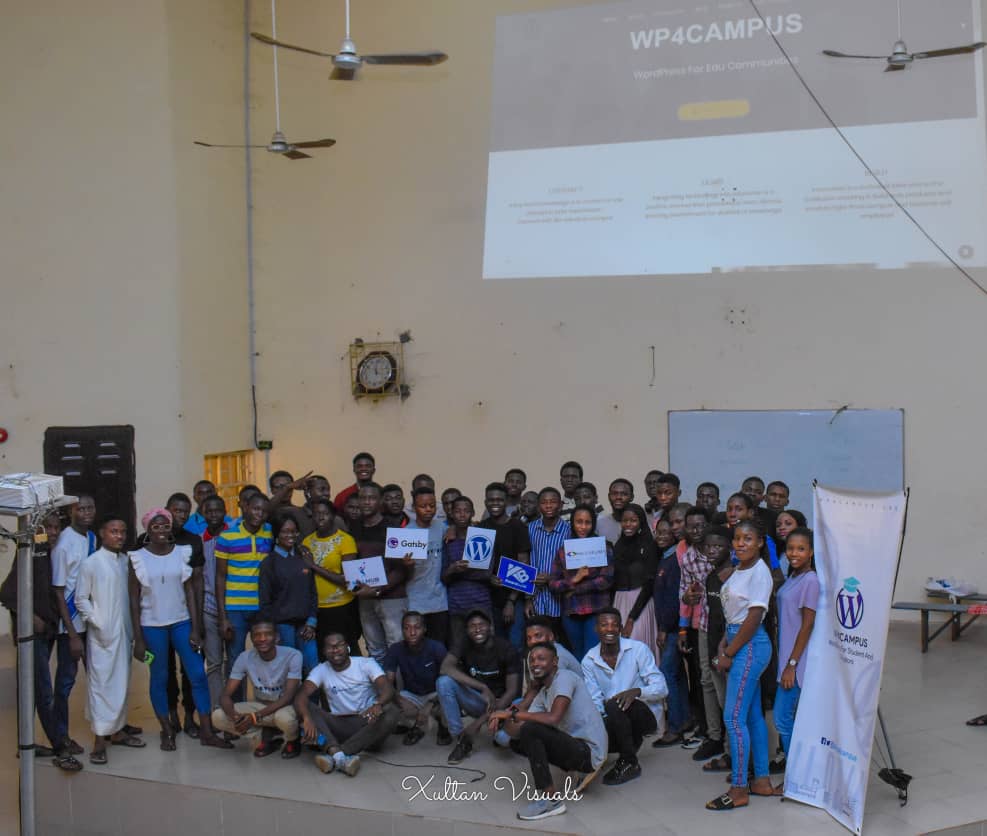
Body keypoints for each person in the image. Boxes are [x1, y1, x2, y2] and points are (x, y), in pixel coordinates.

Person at [130, 508, 231, 751]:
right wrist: (138, 639)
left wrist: (196, 628)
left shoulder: (181, 553)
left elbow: (190, 591)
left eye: (165, 525)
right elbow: (133, 599)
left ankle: (206, 730)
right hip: (152, 625)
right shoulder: (137, 558)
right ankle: (166, 730)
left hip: (181, 622)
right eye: (155, 526)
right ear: (147, 529)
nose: (161, 530)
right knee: (160, 677)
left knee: (197, 674)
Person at [0, 511, 83, 770]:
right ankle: (60, 746)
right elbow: (8, 593)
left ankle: (32, 742)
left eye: (57, 527)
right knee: (42, 690)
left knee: (34, 689)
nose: (53, 532)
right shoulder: (33, 552)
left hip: (47, 631)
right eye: (48, 527)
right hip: (32, 634)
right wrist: (30, 616)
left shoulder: (50, 552)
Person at [489, 642, 608, 821]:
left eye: (541, 659)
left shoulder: (565, 677)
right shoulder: (543, 693)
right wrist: (503, 719)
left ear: (555, 662)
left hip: (590, 752)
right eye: (532, 660)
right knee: (519, 740)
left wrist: (511, 714)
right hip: (575, 746)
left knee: (531, 730)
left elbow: (553, 718)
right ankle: (569, 776)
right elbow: (517, 731)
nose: (535, 663)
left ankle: (552, 802)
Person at [706, 520, 775, 810]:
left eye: (748, 538)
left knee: (733, 718)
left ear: (760, 542)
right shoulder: (739, 569)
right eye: (737, 538)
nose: (741, 543)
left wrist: (730, 653)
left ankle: (739, 788)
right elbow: (734, 614)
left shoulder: (760, 572)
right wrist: (724, 642)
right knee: (751, 716)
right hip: (737, 640)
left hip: (750, 646)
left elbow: (754, 618)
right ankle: (762, 780)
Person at [75, 514, 143, 764]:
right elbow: (81, 598)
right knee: (101, 685)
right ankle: (99, 741)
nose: (119, 536)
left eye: (123, 532)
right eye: (114, 531)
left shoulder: (125, 561)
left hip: (123, 632)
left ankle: (118, 731)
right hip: (102, 635)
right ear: (102, 533)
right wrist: (98, 621)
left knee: (121, 683)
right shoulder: (91, 563)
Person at [295, 632, 401, 776]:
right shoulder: (321, 670)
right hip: (339, 724)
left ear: (347, 647)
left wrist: (378, 704)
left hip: (368, 722)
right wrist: (307, 718)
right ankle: (342, 756)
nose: (335, 650)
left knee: (392, 711)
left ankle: (337, 754)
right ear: (324, 651)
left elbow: (388, 689)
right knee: (304, 706)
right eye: (330, 647)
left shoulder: (365, 664)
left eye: (339, 645)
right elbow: (300, 695)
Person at [582, 608, 668, 785]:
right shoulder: (589, 660)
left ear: (621, 628)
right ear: (596, 629)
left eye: (614, 625)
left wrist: (637, 691)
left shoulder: (638, 650)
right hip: (616, 718)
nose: (610, 629)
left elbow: (662, 688)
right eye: (604, 625)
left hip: (645, 715)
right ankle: (629, 744)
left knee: (613, 704)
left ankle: (630, 762)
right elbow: (595, 700)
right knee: (597, 732)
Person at [437, 610, 522, 763]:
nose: (477, 629)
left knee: (504, 740)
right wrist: (482, 687)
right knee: (443, 682)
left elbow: (512, 691)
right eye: (472, 626)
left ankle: (499, 728)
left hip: (502, 706)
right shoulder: (464, 643)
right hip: (479, 700)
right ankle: (462, 739)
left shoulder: (506, 648)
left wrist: (478, 723)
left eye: (481, 625)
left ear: (490, 627)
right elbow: (445, 668)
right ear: (467, 630)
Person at [212, 618, 302, 758]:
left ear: (277, 637)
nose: (262, 638)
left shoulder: (293, 655)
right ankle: (266, 738)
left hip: (286, 707)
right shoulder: (245, 658)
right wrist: (236, 718)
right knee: (218, 716)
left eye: (268, 634)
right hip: (261, 706)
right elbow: (225, 695)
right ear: (252, 639)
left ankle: (293, 740)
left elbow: (288, 697)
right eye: (257, 635)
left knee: (284, 718)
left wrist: (254, 717)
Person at [772, 526, 819, 792]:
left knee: (782, 718)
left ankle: (796, 777)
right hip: (786, 657)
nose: (794, 553)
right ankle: (800, 773)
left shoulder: (810, 580)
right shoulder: (793, 576)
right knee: (791, 719)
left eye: (801, 549)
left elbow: (807, 626)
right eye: (790, 548)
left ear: (811, 552)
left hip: (797, 662)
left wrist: (792, 665)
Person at [50, 494, 98, 757]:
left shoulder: (91, 538)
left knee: (99, 676)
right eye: (81, 509)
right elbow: (59, 592)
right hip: (70, 625)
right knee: (65, 683)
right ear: (71, 512)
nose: (86, 513)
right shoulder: (64, 544)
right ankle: (61, 736)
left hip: (90, 620)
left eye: (90, 508)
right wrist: (72, 635)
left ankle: (106, 728)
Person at [677, 506, 724, 759]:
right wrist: (687, 598)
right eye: (691, 526)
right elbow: (684, 593)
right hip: (705, 625)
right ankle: (714, 736)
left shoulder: (723, 551)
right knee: (707, 680)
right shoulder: (688, 558)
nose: (696, 530)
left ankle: (731, 737)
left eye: (701, 525)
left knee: (725, 681)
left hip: (728, 626)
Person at [216, 493, 273, 694]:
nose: (260, 514)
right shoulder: (227, 537)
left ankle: (265, 704)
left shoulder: (270, 533)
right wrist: (223, 617)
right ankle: (236, 707)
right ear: (246, 507)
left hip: (262, 607)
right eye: (256, 509)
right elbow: (220, 577)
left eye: (264, 511)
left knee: (266, 658)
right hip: (235, 608)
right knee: (236, 660)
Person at [350, 483, 412, 661]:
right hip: (365, 598)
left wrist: (378, 589)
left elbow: (402, 569)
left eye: (372, 498)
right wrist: (359, 589)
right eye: (363, 498)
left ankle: (397, 682)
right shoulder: (353, 527)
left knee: (397, 647)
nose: (366, 502)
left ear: (380, 501)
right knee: (374, 649)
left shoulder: (393, 528)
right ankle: (381, 681)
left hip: (392, 598)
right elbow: (352, 563)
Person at [548, 505, 614, 660]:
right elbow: (553, 584)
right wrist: (574, 579)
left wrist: (574, 589)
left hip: (596, 610)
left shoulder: (603, 548)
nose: (583, 527)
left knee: (592, 655)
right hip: (572, 611)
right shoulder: (563, 550)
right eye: (579, 522)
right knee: (577, 656)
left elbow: (605, 580)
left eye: (587, 522)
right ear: (572, 523)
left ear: (593, 524)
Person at [301, 497, 362, 656]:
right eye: (316, 514)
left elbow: (348, 579)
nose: (321, 517)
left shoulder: (345, 540)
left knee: (348, 651)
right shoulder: (307, 541)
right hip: (316, 609)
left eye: (325, 513)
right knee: (323, 653)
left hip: (342, 607)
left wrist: (314, 566)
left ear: (333, 516)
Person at [258, 517, 319, 675]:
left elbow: (313, 592)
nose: (290, 535)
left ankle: (310, 694)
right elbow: (265, 601)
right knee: (290, 671)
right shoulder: (269, 563)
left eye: (293, 531)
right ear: (276, 535)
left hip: (306, 625)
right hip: (282, 626)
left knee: (313, 669)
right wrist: (273, 631)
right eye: (285, 531)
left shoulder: (304, 556)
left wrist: (312, 622)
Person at [650, 513, 689, 748]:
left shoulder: (674, 560)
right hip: (669, 626)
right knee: (677, 674)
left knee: (666, 672)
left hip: (673, 627)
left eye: (667, 532)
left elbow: (675, 599)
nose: (662, 536)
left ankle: (674, 728)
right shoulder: (664, 558)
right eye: (658, 532)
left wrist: (664, 629)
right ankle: (684, 719)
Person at [478, 482, 531, 647]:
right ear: (485, 502)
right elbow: (476, 566)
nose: (495, 503)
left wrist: (511, 602)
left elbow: (524, 566)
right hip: (489, 599)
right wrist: (488, 577)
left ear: (507, 501)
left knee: (515, 645)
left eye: (499, 500)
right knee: (495, 645)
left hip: (514, 598)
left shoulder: (518, 527)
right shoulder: (481, 528)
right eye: (491, 500)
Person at [382, 611, 447, 745]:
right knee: (388, 704)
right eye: (407, 628)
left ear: (424, 629)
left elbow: (447, 680)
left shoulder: (436, 647)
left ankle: (442, 726)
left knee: (448, 696)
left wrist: (430, 704)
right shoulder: (395, 649)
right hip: (412, 695)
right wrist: (400, 700)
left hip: (436, 693)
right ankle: (416, 725)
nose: (412, 632)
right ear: (402, 630)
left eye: (417, 627)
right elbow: (387, 682)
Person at [700, 527, 735, 774]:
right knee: (723, 703)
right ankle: (728, 751)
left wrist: (724, 651)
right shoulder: (711, 577)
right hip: (714, 649)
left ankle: (735, 756)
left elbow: (733, 621)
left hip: (729, 651)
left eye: (718, 546)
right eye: (708, 546)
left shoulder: (734, 578)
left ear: (729, 548)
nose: (712, 550)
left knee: (732, 706)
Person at [611, 504, 660, 662]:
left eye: (633, 520)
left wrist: (632, 618)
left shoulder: (649, 545)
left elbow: (649, 584)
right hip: (619, 602)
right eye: (625, 520)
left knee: (636, 650)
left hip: (640, 605)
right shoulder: (618, 546)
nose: (628, 524)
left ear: (640, 522)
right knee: (621, 654)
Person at [442, 496, 493, 636]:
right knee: (458, 645)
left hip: (481, 602)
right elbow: (444, 577)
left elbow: (487, 574)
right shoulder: (447, 540)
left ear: (473, 513)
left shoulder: (483, 537)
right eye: (458, 511)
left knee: (486, 642)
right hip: (456, 604)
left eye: (466, 511)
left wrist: (460, 572)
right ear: (451, 513)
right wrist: (452, 569)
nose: (462, 515)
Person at [403, 487, 449, 644]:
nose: (428, 509)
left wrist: (453, 529)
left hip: (440, 601)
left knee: (440, 645)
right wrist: (406, 565)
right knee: (418, 645)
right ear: (414, 507)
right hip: (416, 601)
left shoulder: (441, 527)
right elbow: (402, 573)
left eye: (432, 505)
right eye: (423, 506)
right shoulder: (406, 533)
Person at [526, 488, 571, 642]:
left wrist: (551, 578)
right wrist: (527, 599)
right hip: (536, 599)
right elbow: (525, 562)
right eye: (544, 502)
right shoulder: (530, 528)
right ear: (538, 506)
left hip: (560, 601)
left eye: (553, 502)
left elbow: (574, 567)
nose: (549, 506)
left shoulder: (569, 531)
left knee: (560, 643)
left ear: (561, 505)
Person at [200, 495, 231, 709]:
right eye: (209, 511)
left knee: (235, 663)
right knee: (214, 664)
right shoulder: (199, 541)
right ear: (203, 513)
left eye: (218, 510)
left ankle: (236, 709)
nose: (213, 515)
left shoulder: (234, 536)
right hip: (209, 608)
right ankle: (218, 711)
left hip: (233, 607)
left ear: (225, 512)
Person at [597, 479, 633, 544]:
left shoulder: (639, 523)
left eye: (624, 494)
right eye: (614, 494)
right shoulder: (599, 523)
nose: (618, 497)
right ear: (609, 496)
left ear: (632, 497)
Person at [775, 510, 807, 575]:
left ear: (799, 526)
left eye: (788, 524)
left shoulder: (807, 552)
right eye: (778, 525)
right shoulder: (778, 550)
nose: (781, 528)